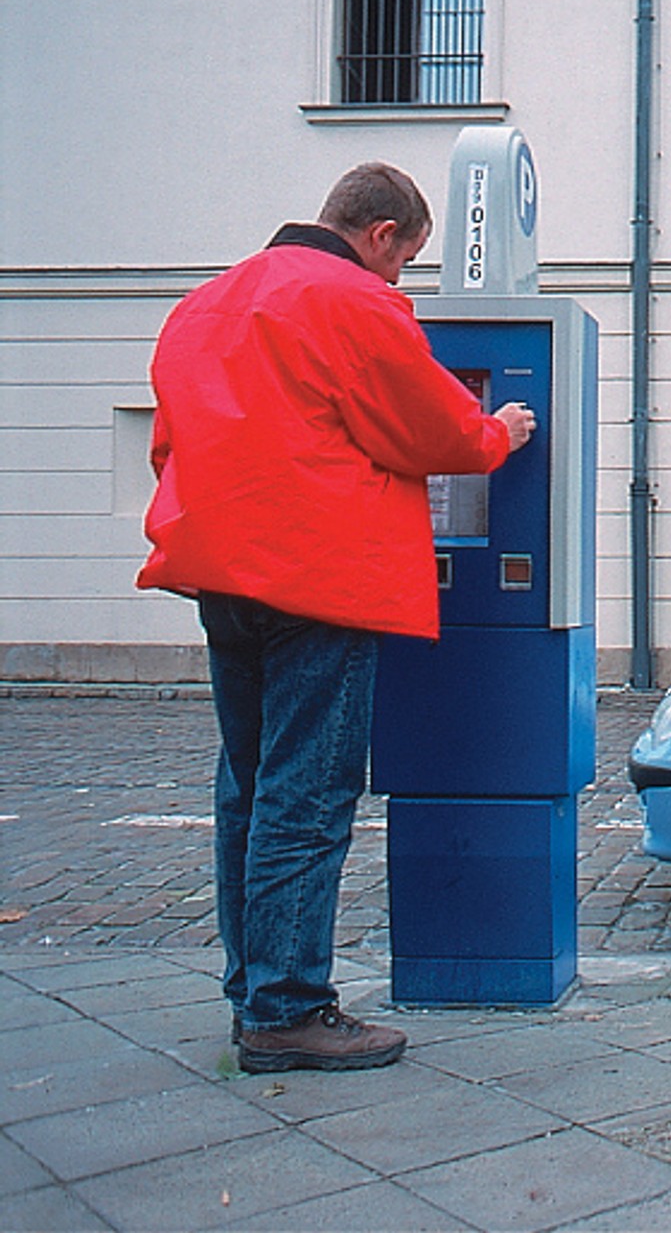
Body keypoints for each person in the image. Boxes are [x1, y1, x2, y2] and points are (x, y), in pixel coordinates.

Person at [137, 162, 536, 1073]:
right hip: (319, 577)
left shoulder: (204, 305)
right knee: (308, 795)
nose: (400, 278)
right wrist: (498, 434)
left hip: (221, 577)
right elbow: (427, 430)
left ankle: (252, 990)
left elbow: (168, 446)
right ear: (382, 234)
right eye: (406, 261)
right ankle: (287, 1010)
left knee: (248, 788)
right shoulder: (353, 301)